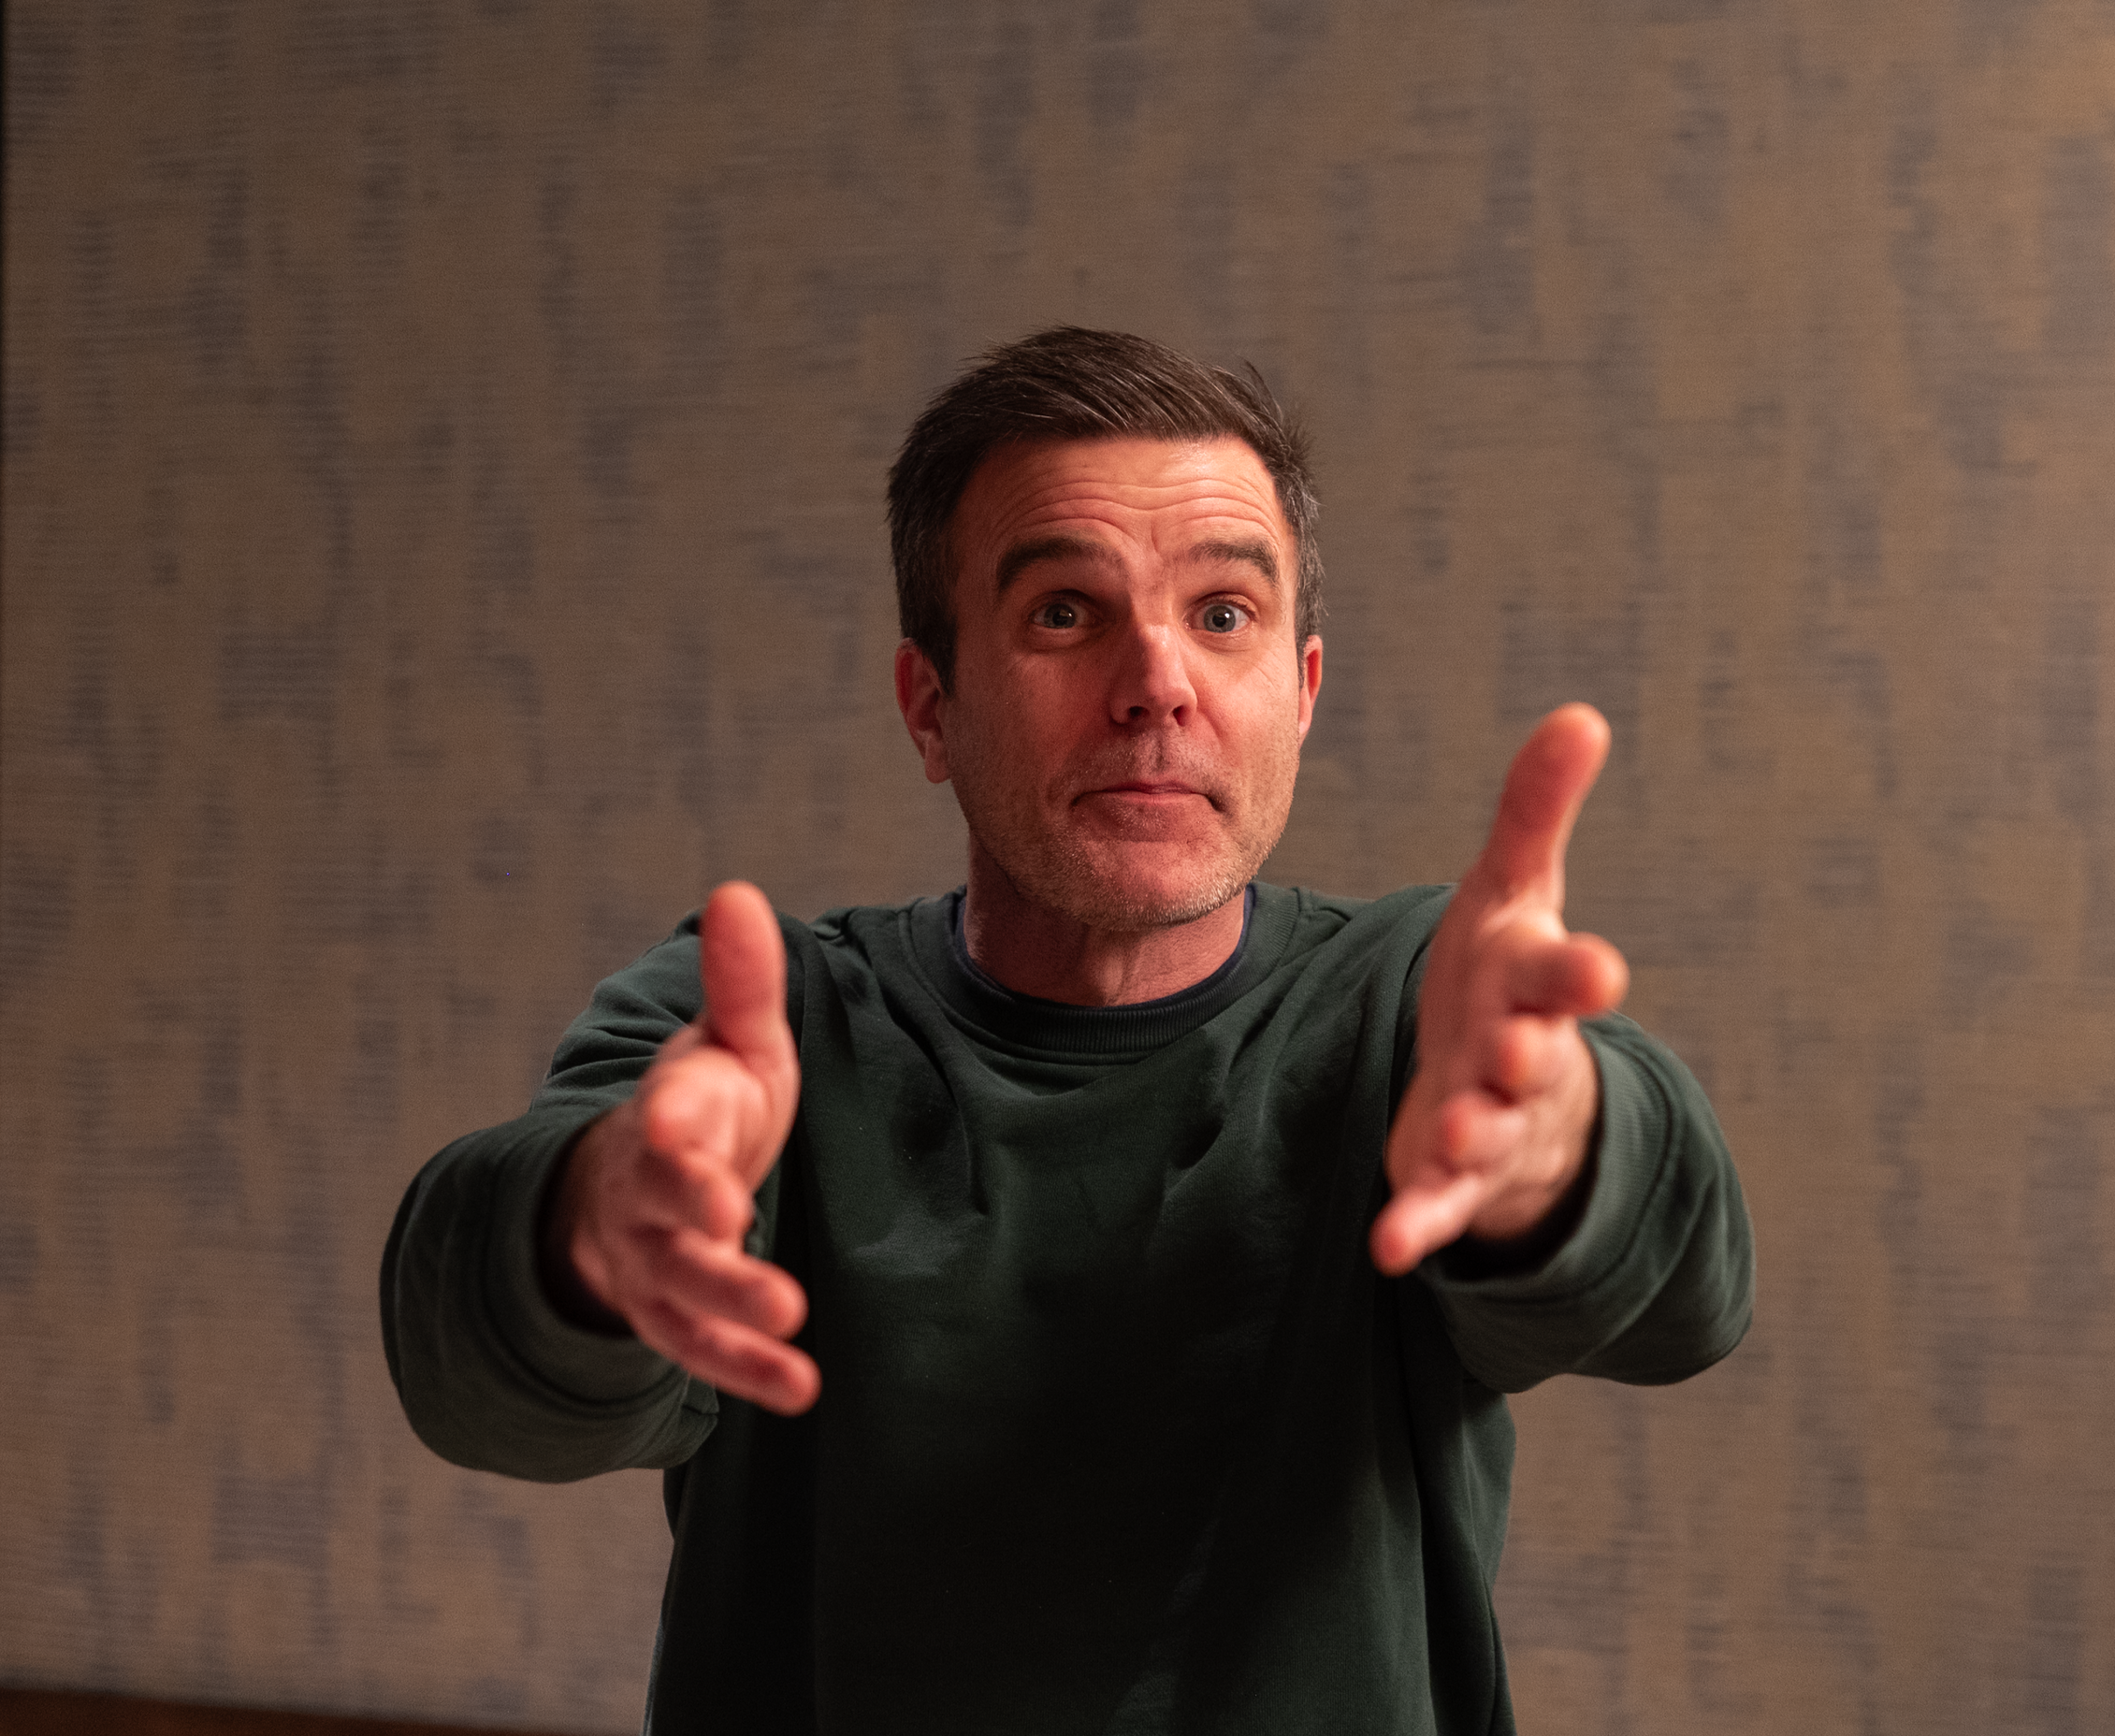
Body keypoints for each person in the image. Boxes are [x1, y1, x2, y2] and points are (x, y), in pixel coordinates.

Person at [382, 326, 1751, 1734]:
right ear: (932, 708)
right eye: (1062, 613)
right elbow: (464, 1367)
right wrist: (598, 1223)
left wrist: (1557, 1149)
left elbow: (1687, 1297)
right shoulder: (751, 1027)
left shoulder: (1414, 1003)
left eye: (1224, 613)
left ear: (1301, 694)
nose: (1158, 678)